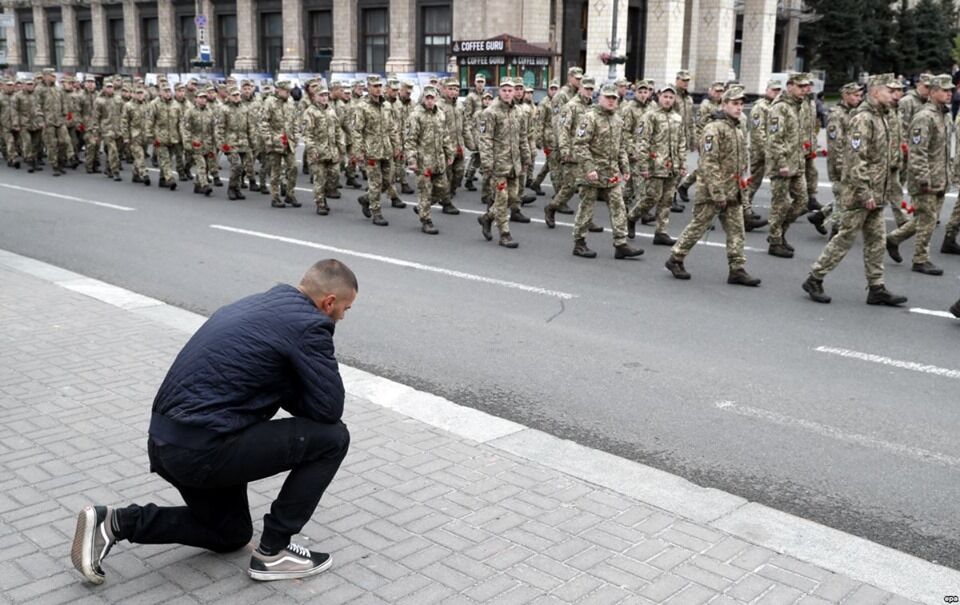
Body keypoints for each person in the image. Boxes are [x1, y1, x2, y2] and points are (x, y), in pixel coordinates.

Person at [71, 259, 356, 584]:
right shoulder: (309, 325)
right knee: (334, 438)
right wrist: (295, 384)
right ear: (329, 302)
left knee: (230, 533)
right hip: (205, 449)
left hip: (168, 443)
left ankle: (116, 523)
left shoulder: (257, 304)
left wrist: (285, 384)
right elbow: (329, 409)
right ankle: (275, 551)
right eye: (346, 308)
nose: (344, 316)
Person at [802, 74, 908, 306]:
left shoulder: (883, 117)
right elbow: (856, 160)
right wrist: (865, 192)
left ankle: (876, 287)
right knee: (845, 238)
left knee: (877, 242)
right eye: (889, 91)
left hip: (877, 193)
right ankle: (815, 278)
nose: (894, 95)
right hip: (861, 195)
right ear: (875, 92)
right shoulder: (863, 118)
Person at [665, 87, 760, 286]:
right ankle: (676, 258)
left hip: (733, 188)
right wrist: (717, 192)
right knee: (699, 226)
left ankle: (737, 268)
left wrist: (743, 180)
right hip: (712, 190)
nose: (739, 107)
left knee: (737, 231)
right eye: (734, 103)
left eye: (741, 104)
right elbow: (709, 163)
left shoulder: (737, 128)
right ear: (724, 104)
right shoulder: (714, 128)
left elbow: (741, 158)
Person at [886, 73, 953, 276]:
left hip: (940, 176)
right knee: (928, 218)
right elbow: (918, 150)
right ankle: (920, 259)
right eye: (945, 90)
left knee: (926, 218)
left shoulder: (945, 115)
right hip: (926, 179)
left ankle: (894, 238)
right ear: (933, 92)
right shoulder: (924, 117)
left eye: (951, 90)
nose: (950, 93)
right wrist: (924, 178)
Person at [569, 84, 643, 259]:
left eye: (614, 98)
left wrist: (625, 168)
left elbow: (621, 147)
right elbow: (580, 145)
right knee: (587, 208)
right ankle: (579, 243)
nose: (611, 101)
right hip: (592, 173)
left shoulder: (617, 119)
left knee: (619, 207)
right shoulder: (589, 118)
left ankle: (621, 243)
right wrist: (589, 168)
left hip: (611, 173)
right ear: (599, 98)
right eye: (608, 97)